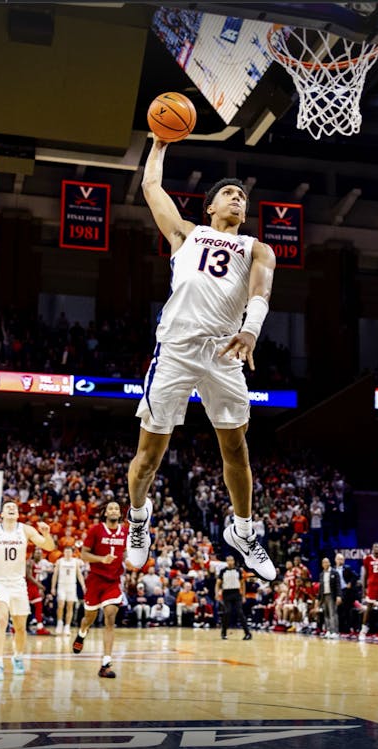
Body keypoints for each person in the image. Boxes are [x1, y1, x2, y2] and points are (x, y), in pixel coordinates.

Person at [124, 138, 277, 583]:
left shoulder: (256, 248)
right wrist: (157, 143)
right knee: (149, 457)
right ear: (210, 207)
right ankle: (138, 518)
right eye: (230, 193)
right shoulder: (186, 233)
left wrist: (251, 330)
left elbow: (261, 292)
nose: (238, 198)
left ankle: (244, 532)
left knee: (236, 447)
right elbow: (151, 185)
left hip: (225, 352)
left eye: (243, 197)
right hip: (176, 349)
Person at [0, 501, 55, 680]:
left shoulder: (26, 530)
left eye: (14, 507)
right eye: (7, 506)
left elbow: (49, 547)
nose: (11, 508)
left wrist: (47, 534)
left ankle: (18, 657)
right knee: (1, 620)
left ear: (17, 514)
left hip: (18, 584)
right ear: (1, 513)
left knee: (20, 627)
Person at [72, 501, 127, 678]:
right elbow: (84, 554)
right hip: (95, 580)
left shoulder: (126, 531)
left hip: (113, 582)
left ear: (120, 514)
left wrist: (132, 561)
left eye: (116, 508)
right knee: (89, 618)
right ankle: (81, 633)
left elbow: (129, 553)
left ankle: (106, 664)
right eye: (110, 508)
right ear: (105, 513)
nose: (113, 510)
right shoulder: (96, 530)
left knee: (110, 617)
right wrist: (102, 559)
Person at [217, 555, 252, 640]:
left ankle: (247, 633)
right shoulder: (223, 571)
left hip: (236, 593)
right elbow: (218, 583)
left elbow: (242, 584)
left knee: (240, 612)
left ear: (233, 561)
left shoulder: (238, 570)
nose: (229, 562)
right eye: (228, 560)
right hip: (226, 593)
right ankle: (224, 633)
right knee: (227, 612)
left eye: (231, 560)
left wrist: (243, 596)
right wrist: (217, 593)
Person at [51, 545, 84, 635]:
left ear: (72, 553)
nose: (68, 554)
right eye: (66, 552)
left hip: (72, 586)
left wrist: (83, 586)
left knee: (70, 606)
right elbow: (55, 575)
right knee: (60, 605)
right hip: (62, 585)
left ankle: (67, 626)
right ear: (64, 553)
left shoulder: (75, 562)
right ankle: (59, 623)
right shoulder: (59, 562)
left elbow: (79, 575)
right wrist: (53, 587)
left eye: (70, 552)